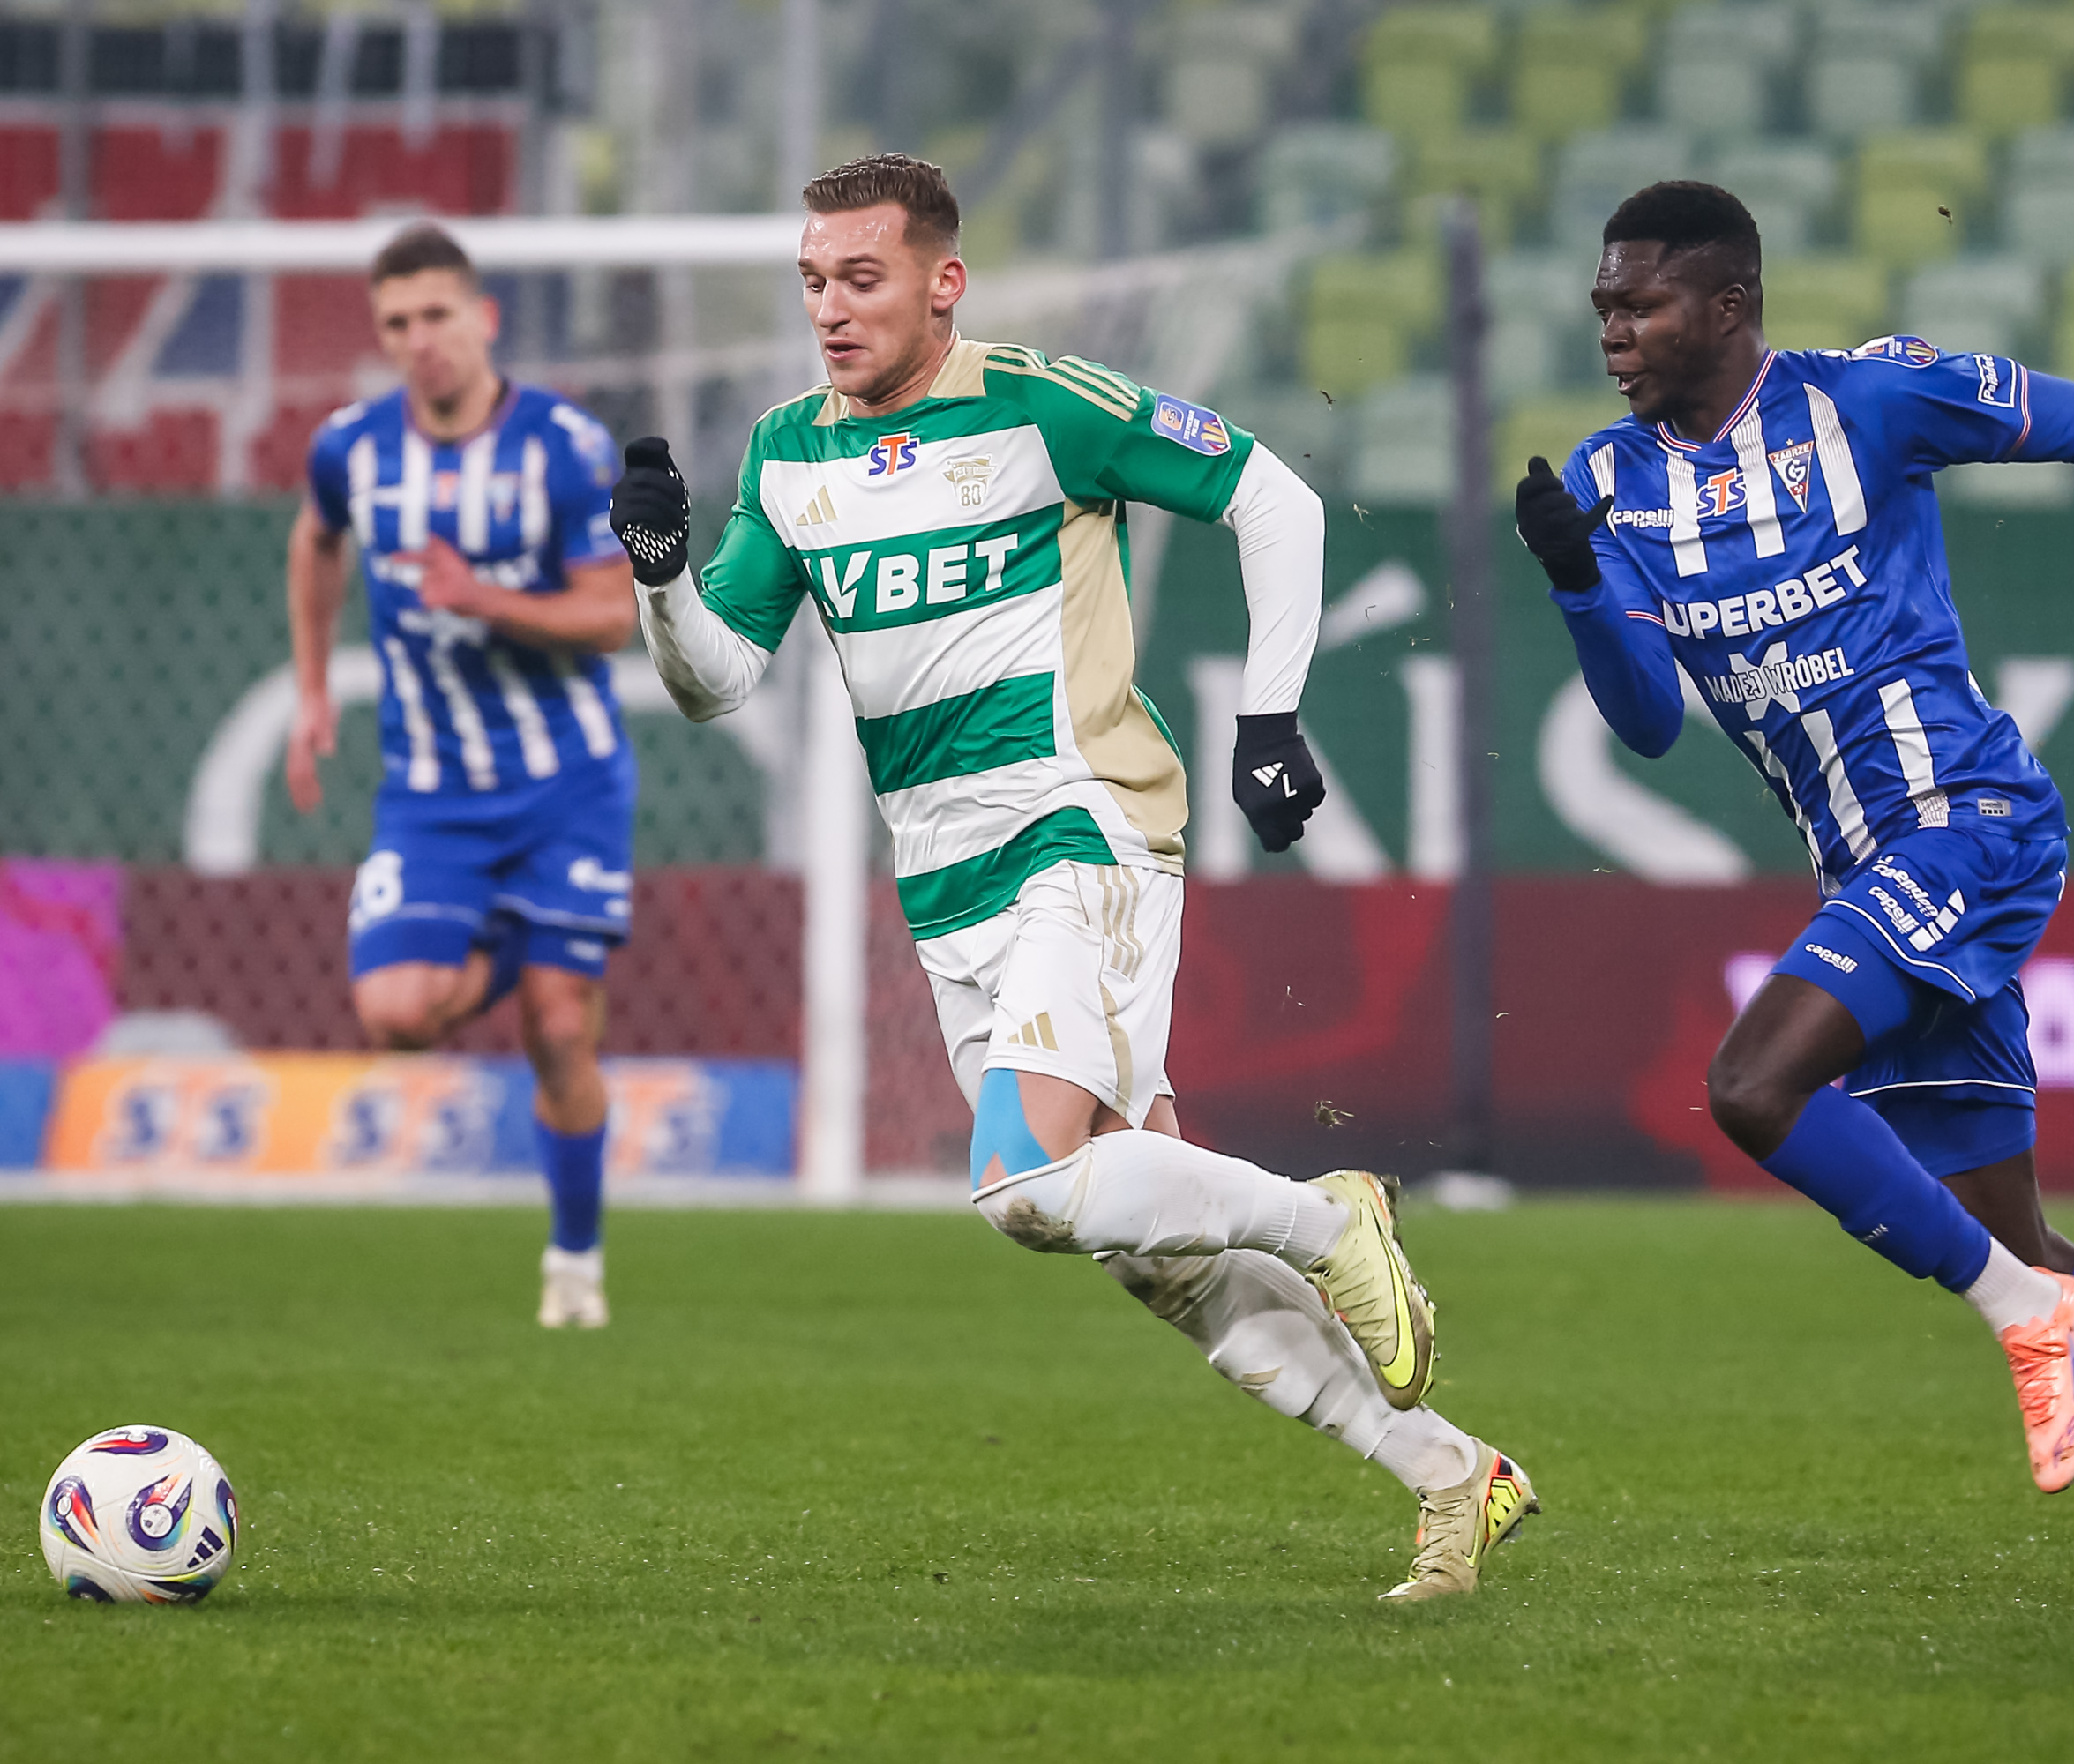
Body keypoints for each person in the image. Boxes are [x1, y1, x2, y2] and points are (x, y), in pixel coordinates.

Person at [609, 153, 1535, 1600]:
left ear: (942, 283)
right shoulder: (787, 455)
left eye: (860, 278)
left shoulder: (1043, 405)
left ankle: (1329, 1215)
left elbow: (1271, 499)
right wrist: (661, 579)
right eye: (812, 281)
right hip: (945, 888)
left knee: (1019, 1186)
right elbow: (716, 683)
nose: (829, 308)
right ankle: (1449, 1474)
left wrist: (1270, 717)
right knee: (1154, 1254)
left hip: (1079, 827)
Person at [1514, 181, 2074, 1606]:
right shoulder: (1612, 483)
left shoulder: (1866, 403)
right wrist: (1571, 585)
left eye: (1639, 303)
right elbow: (1648, 723)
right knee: (2011, 1242)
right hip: (1866, 864)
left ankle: (2029, 1320)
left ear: (1727, 306)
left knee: (1750, 1086)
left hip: (1965, 823)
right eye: (1601, 304)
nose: (1610, 328)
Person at [286, 222, 637, 1329]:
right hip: (432, 792)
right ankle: (524, 934)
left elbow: (612, 616)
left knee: (559, 1029)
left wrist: (481, 595)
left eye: (436, 314)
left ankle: (574, 1261)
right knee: (395, 1010)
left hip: (565, 783)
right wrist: (310, 688)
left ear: (482, 319)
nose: (418, 339)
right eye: (396, 322)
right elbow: (315, 540)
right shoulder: (350, 448)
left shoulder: (563, 446)